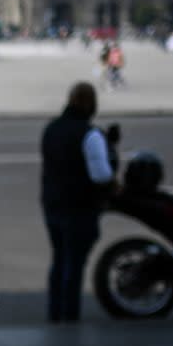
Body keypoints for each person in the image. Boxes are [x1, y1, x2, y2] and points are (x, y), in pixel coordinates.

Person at [40, 82, 115, 322]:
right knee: (74, 263)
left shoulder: (51, 129)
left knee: (59, 258)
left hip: (53, 203)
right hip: (80, 207)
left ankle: (55, 312)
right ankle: (69, 315)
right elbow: (101, 175)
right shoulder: (90, 133)